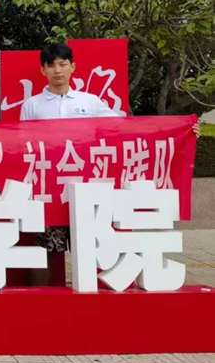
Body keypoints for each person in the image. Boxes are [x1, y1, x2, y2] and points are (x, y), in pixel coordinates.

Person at [20, 43, 199, 285]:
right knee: (46, 250)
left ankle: (99, 298)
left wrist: (182, 131)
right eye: (51, 66)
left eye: (63, 64)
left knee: (95, 246)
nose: (57, 70)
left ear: (73, 67)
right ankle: (42, 302)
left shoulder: (90, 102)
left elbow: (124, 128)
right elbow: (24, 144)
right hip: (49, 188)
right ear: (43, 70)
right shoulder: (32, 105)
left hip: (87, 186)